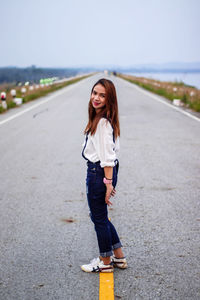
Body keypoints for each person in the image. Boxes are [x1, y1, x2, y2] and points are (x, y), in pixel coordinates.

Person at [81, 78, 127, 273]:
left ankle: (105, 262)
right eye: (94, 93)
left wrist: (108, 183)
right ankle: (119, 257)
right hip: (105, 173)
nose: (96, 98)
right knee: (101, 216)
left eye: (102, 95)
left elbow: (107, 157)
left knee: (99, 218)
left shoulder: (101, 123)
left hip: (98, 173)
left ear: (110, 99)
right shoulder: (104, 119)